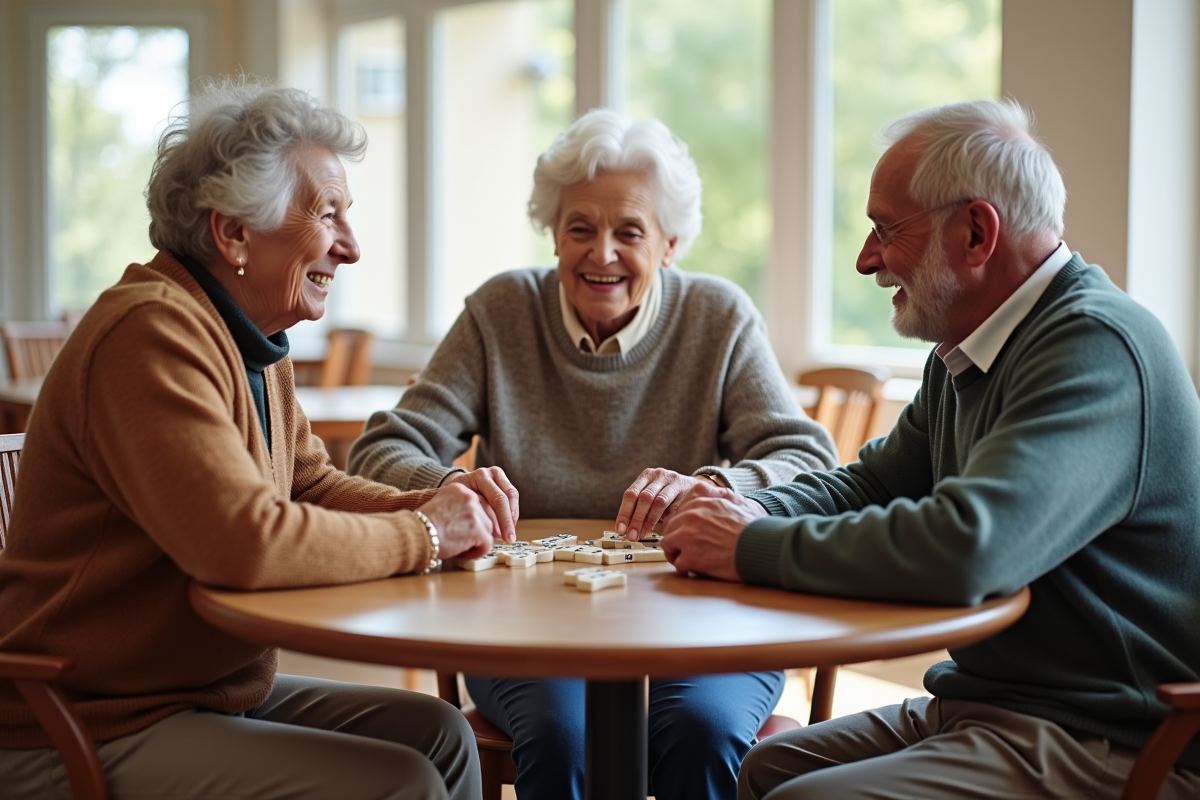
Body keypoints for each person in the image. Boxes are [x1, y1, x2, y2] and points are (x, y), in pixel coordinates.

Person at [659, 99, 1200, 800]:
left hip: (1114, 735)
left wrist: (748, 544)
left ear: (977, 232)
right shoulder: (966, 352)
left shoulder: (1096, 347)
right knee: (767, 769)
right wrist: (735, 504)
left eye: (886, 230)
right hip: (996, 706)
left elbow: (972, 548)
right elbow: (870, 485)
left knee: (804, 798)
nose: (865, 259)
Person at [0, 78, 496, 800]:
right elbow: (243, 544)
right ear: (233, 233)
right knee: (400, 781)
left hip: (198, 690)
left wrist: (442, 498)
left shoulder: (255, 339)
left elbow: (311, 485)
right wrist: (425, 532)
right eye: (329, 215)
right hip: (85, 718)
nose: (352, 248)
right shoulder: (149, 335)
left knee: (440, 734)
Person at [348, 108, 838, 800]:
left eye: (629, 231)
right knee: (562, 735)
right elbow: (382, 449)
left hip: (699, 616)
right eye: (580, 227)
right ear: (554, 234)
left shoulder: (718, 316)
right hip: (524, 623)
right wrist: (456, 495)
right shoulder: (501, 311)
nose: (601, 253)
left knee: (698, 729)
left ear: (670, 244)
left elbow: (808, 456)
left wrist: (712, 490)